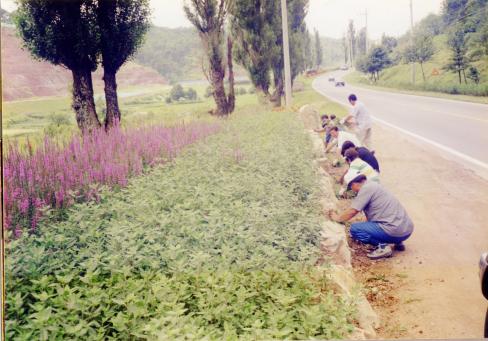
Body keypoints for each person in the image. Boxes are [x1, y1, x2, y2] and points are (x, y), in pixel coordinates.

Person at [329, 174, 414, 260]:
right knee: (383, 220)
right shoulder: (375, 185)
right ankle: (398, 242)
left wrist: (338, 218)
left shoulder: (366, 189)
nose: (352, 191)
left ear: (354, 184)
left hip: (394, 231)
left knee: (355, 229)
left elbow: (353, 210)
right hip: (407, 230)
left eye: (351, 187)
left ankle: (383, 247)